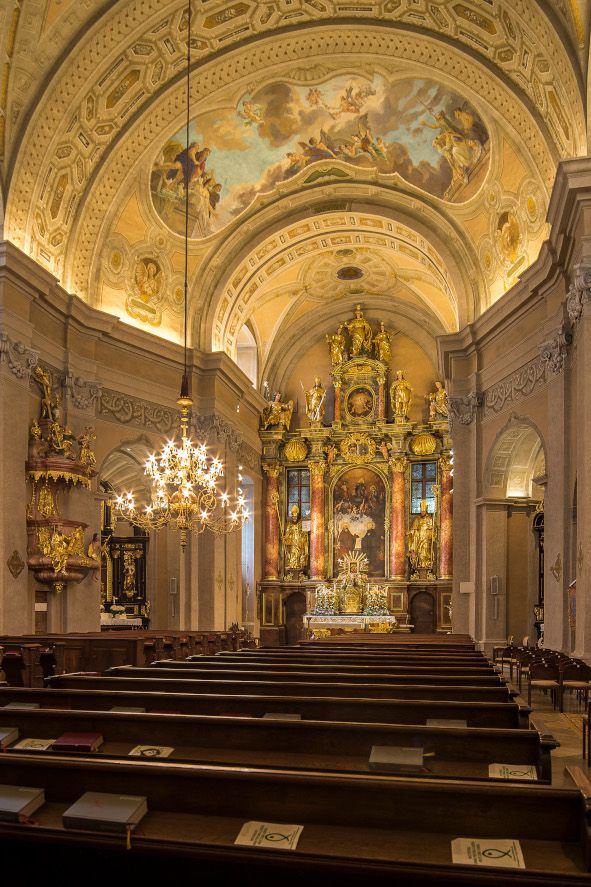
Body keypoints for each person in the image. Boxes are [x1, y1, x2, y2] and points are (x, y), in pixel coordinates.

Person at [408, 499, 434, 571]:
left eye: (424, 511)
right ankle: (420, 564)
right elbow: (414, 528)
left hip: (426, 538)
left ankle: (425, 564)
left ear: (426, 510)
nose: (422, 512)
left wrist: (430, 529)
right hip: (419, 538)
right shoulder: (417, 519)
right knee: (419, 551)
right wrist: (410, 532)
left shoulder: (429, 518)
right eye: (421, 511)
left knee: (425, 550)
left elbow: (432, 528)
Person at [283, 504, 309, 574]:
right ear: (292, 517)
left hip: (299, 541)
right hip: (292, 541)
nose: (294, 518)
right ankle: (292, 565)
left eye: (295, 517)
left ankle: (298, 565)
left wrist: (304, 534)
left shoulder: (300, 524)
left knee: (299, 553)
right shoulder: (289, 525)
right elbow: (287, 534)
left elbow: (304, 533)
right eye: (293, 517)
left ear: (297, 517)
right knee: (292, 553)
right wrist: (285, 537)